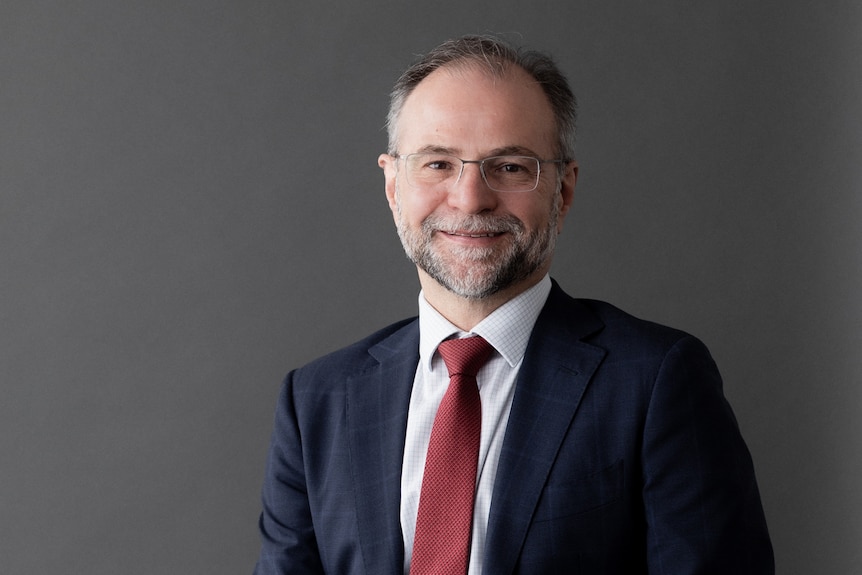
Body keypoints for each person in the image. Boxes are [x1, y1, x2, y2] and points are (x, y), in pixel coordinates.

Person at [253, 35, 774, 574]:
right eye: (437, 164)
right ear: (392, 184)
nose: (470, 198)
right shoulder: (316, 400)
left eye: (510, 167)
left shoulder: (656, 381)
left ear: (563, 190)